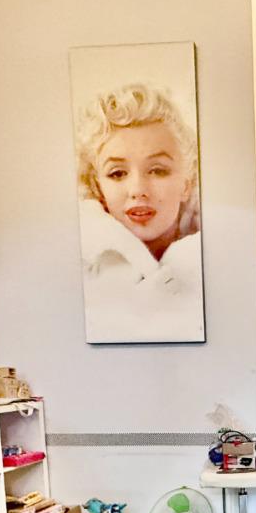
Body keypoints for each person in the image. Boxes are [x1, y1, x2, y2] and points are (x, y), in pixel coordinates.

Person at [75, 83, 205, 343]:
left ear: (186, 184)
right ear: (98, 187)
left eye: (157, 170)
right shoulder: (80, 271)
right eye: (117, 173)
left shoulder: (213, 259)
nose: (138, 190)